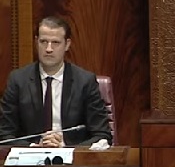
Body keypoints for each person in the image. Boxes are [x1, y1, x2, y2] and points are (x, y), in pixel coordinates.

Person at [0, 16, 112, 147]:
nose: (49, 49)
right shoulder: (18, 80)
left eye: (55, 42)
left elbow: (102, 135)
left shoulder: (85, 82)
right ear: (36, 42)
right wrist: (34, 148)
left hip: (71, 157)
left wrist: (65, 148)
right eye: (43, 42)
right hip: (30, 157)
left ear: (67, 44)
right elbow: (4, 134)